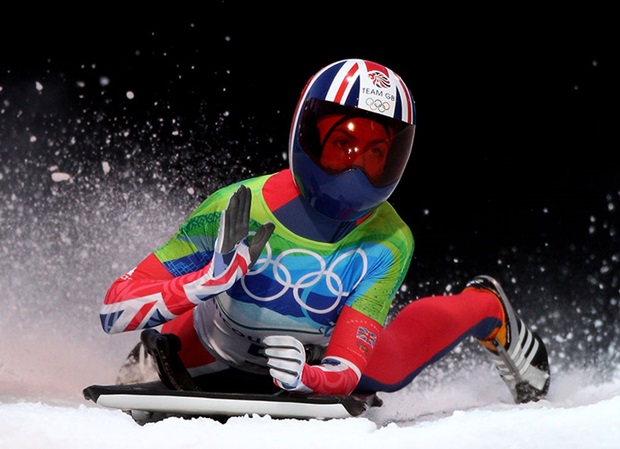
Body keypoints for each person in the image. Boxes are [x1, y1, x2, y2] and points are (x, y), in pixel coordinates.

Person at [100, 58, 550, 404]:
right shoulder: (236, 206)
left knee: (390, 368)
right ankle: (159, 349)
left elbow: (347, 372)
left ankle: (485, 306)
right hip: (207, 349)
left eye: (376, 154)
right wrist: (203, 282)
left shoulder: (390, 240)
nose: (355, 169)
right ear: (305, 134)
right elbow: (112, 310)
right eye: (343, 145)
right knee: (180, 340)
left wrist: (308, 378)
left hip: (318, 352)